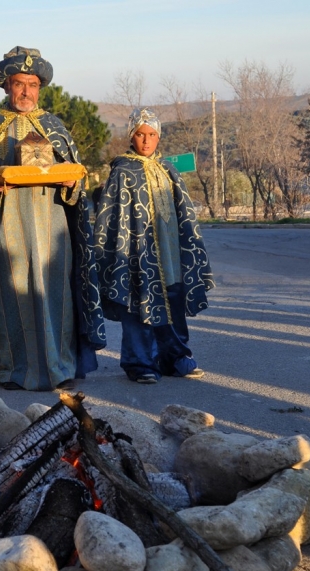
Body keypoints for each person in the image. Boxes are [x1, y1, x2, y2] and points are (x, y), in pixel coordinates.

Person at [0, 47, 105, 391]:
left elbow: (77, 183)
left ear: (40, 87)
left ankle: (58, 366)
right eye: (19, 84)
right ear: (6, 86)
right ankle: (13, 369)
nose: (26, 92)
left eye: (32, 85)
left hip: (53, 231)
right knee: (11, 300)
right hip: (3, 232)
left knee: (54, 299)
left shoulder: (54, 127)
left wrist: (71, 184)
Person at [93, 108, 214, 384]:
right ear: (131, 136)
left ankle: (175, 358)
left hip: (170, 254)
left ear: (159, 137)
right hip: (136, 253)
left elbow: (184, 214)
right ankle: (140, 363)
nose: (146, 141)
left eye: (151, 135)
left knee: (172, 301)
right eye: (140, 134)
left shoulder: (168, 169)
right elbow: (111, 217)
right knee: (137, 305)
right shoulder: (123, 170)